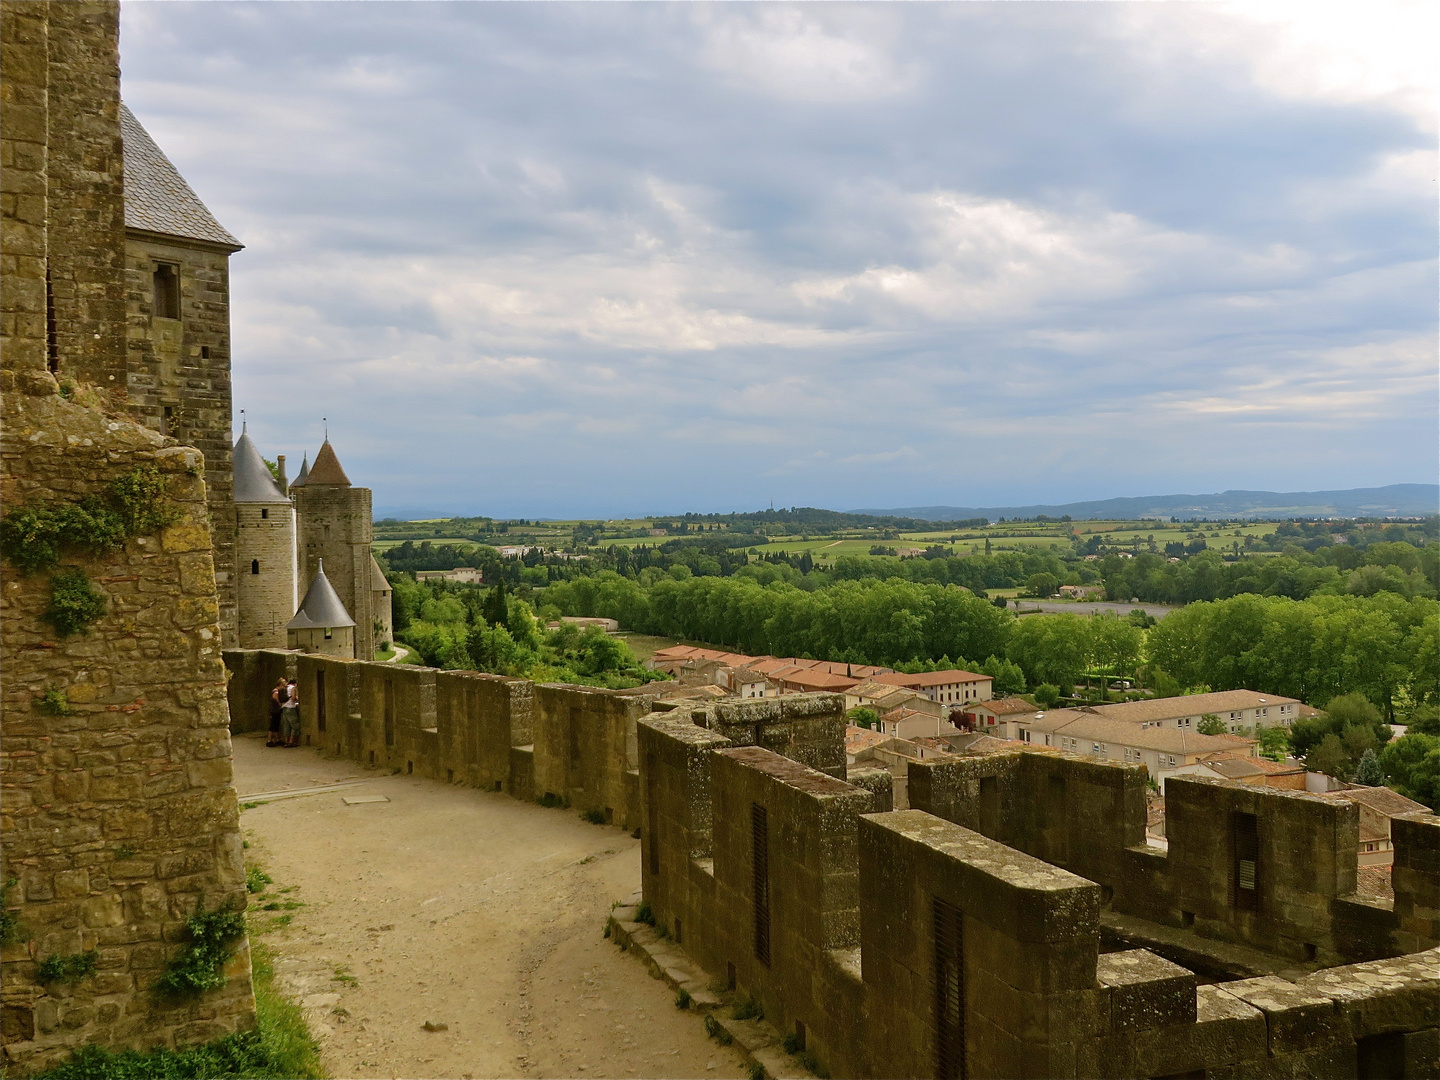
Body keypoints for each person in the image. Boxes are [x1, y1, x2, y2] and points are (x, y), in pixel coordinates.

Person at [280, 679, 301, 748]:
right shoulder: (293, 688)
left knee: (286, 725)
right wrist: (297, 698)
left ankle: (286, 741)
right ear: (295, 683)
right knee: (295, 725)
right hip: (291, 707)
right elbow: (293, 698)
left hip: (284, 708)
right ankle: (291, 742)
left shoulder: (285, 687)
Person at [267, 679, 287, 747]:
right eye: (283, 686)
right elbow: (279, 703)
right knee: (272, 726)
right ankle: (269, 740)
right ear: (280, 685)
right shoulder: (276, 693)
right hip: (275, 711)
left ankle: (277, 739)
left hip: (275, 711)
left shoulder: (275, 691)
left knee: (276, 726)